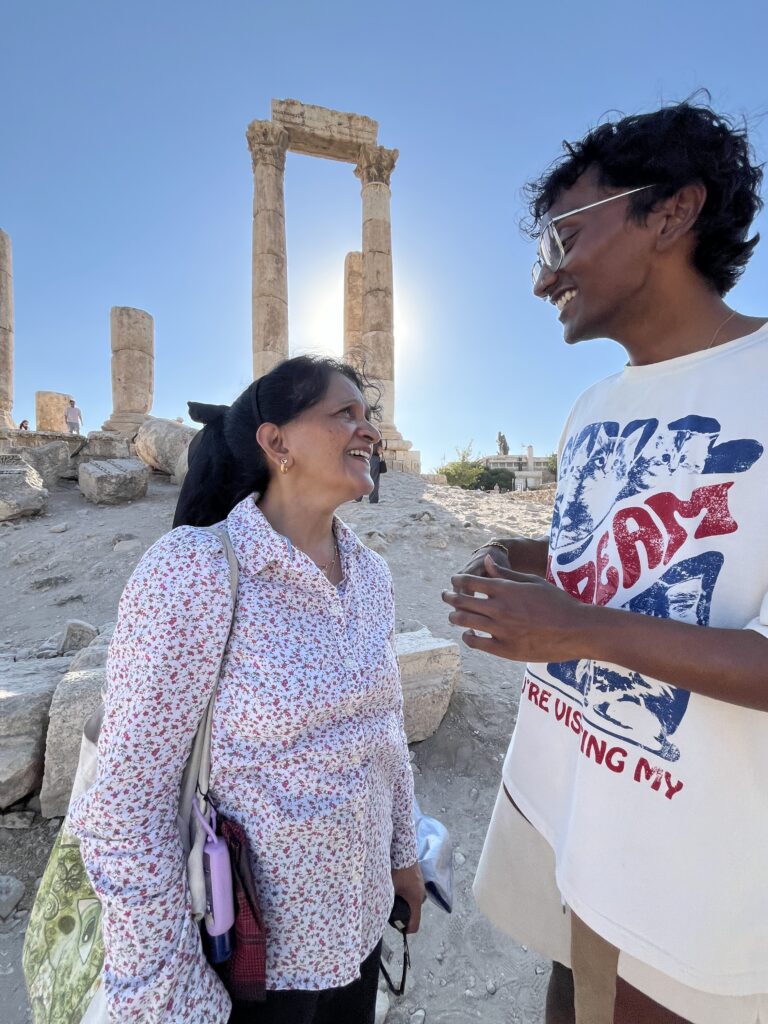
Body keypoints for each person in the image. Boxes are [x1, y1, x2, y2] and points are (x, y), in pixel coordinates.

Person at [443, 101, 768, 1024]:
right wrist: (535, 559)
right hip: (580, 831)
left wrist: (574, 626)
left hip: (706, 886)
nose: (546, 277)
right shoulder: (591, 405)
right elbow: (680, 543)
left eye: (565, 237)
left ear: (669, 214)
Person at [68, 354, 424, 1024]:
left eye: (368, 415)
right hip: (247, 959)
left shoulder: (373, 575)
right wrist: (168, 992)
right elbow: (125, 802)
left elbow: (387, 730)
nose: (368, 430)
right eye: (344, 413)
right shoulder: (194, 571)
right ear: (276, 441)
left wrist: (402, 860)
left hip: (358, 930)